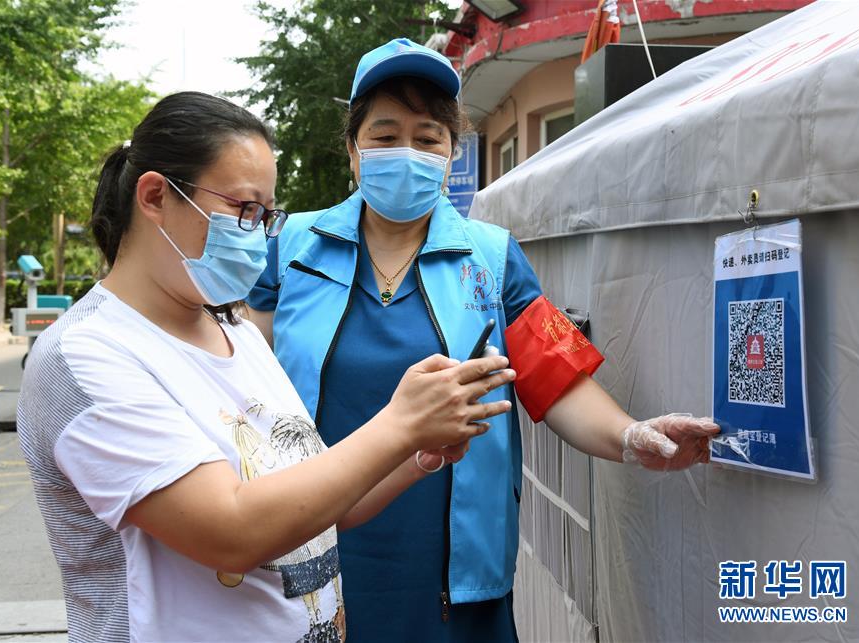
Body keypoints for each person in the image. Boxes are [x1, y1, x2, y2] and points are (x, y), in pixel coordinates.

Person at [246, 39, 720, 642]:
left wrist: (631, 436)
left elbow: (559, 380)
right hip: (308, 542)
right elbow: (241, 383)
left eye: (427, 138)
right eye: (385, 136)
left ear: (450, 153)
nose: (407, 153)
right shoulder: (290, 249)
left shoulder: (494, 259)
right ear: (352, 149)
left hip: (452, 566)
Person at [16, 91, 517, 643]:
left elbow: (312, 501)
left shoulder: (236, 331)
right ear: (156, 195)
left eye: (265, 215)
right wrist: (397, 423)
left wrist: (414, 453)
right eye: (243, 209)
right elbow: (232, 530)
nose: (256, 234)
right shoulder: (87, 356)